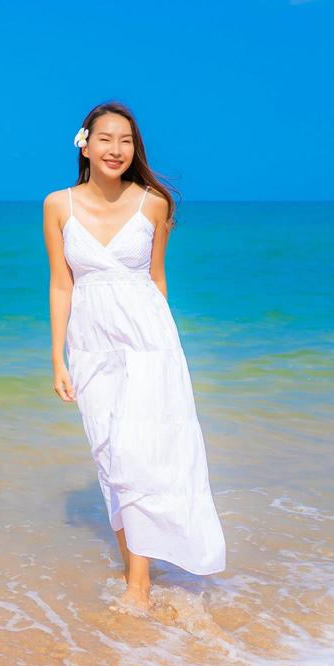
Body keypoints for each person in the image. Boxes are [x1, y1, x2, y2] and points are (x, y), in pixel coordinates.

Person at [42, 100, 226, 617]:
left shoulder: (154, 203)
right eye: (105, 138)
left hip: (149, 341)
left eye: (125, 140)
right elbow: (62, 283)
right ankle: (139, 568)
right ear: (86, 143)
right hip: (91, 342)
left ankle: (138, 587)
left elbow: (156, 278)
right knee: (111, 457)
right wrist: (57, 358)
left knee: (141, 455)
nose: (116, 149)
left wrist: (168, 351)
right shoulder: (58, 205)